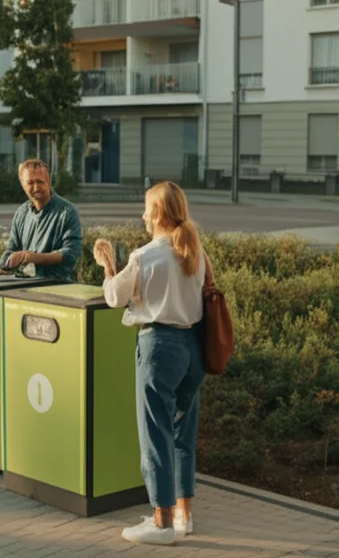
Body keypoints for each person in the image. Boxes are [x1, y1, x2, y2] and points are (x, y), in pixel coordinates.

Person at [94, 181, 211, 546]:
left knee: (155, 435)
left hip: (159, 348)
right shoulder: (195, 251)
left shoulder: (145, 256)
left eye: (146, 209)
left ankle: (161, 523)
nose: (143, 216)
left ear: (158, 213)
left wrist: (107, 266)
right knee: (183, 435)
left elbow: (115, 297)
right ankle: (184, 515)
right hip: (193, 348)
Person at [0, 159, 83, 281]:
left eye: (40, 181)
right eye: (30, 183)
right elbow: (11, 250)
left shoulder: (67, 212)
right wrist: (2, 266)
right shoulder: (21, 213)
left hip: (58, 285)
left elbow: (71, 254)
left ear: (48, 181)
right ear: (22, 184)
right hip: (24, 285)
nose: (36, 187)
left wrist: (33, 257)